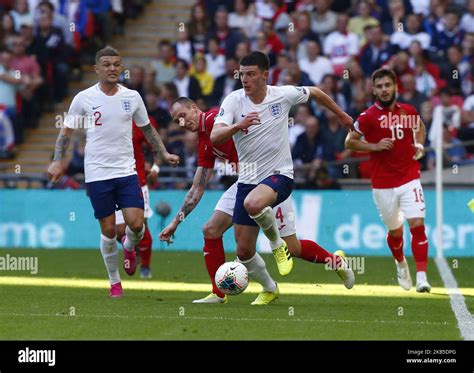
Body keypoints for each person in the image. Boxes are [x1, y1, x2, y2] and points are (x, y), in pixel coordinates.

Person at [159, 97, 354, 305]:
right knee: (211, 230)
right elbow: (197, 187)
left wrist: (240, 125)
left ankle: (335, 261)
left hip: (270, 179)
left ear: (195, 108)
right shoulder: (204, 143)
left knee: (293, 248)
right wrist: (175, 222)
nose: (181, 122)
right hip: (245, 184)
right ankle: (227, 292)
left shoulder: (219, 116)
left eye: (183, 115)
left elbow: (251, 119)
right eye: (176, 120)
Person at [210, 51, 354, 303]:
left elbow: (316, 92)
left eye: (251, 74)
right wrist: (237, 126)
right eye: (242, 75)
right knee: (246, 250)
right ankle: (327, 264)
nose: (245, 79)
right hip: (249, 179)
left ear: (265, 75)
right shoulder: (233, 101)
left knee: (254, 204)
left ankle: (276, 245)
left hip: (279, 176)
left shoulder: (283, 95)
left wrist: (340, 114)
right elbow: (215, 136)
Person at [47, 46, 180, 297]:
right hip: (97, 174)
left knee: (137, 225)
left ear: (121, 68)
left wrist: (163, 154)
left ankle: (129, 247)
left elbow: (149, 130)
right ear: (97, 69)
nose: (112, 68)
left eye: (116, 64)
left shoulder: (132, 97)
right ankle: (114, 282)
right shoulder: (84, 98)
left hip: (126, 172)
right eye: (106, 64)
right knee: (108, 230)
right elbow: (66, 132)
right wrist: (57, 161)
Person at [345, 67, 431, 293]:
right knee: (395, 232)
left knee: (417, 225)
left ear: (395, 87)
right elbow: (349, 142)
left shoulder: (408, 111)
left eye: (387, 85)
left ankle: (422, 276)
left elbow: (420, 128)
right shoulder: (367, 117)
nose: (384, 90)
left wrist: (419, 144)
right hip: (383, 185)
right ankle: (401, 263)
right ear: (374, 90)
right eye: (380, 86)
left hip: (410, 177)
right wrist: (374, 146)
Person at [115, 117, 160, 279]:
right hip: (112, 181)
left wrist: (154, 167)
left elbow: (156, 147)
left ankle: (145, 268)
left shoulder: (140, 121)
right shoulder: (102, 119)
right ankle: (131, 248)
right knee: (118, 230)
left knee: (140, 227)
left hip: (137, 180)